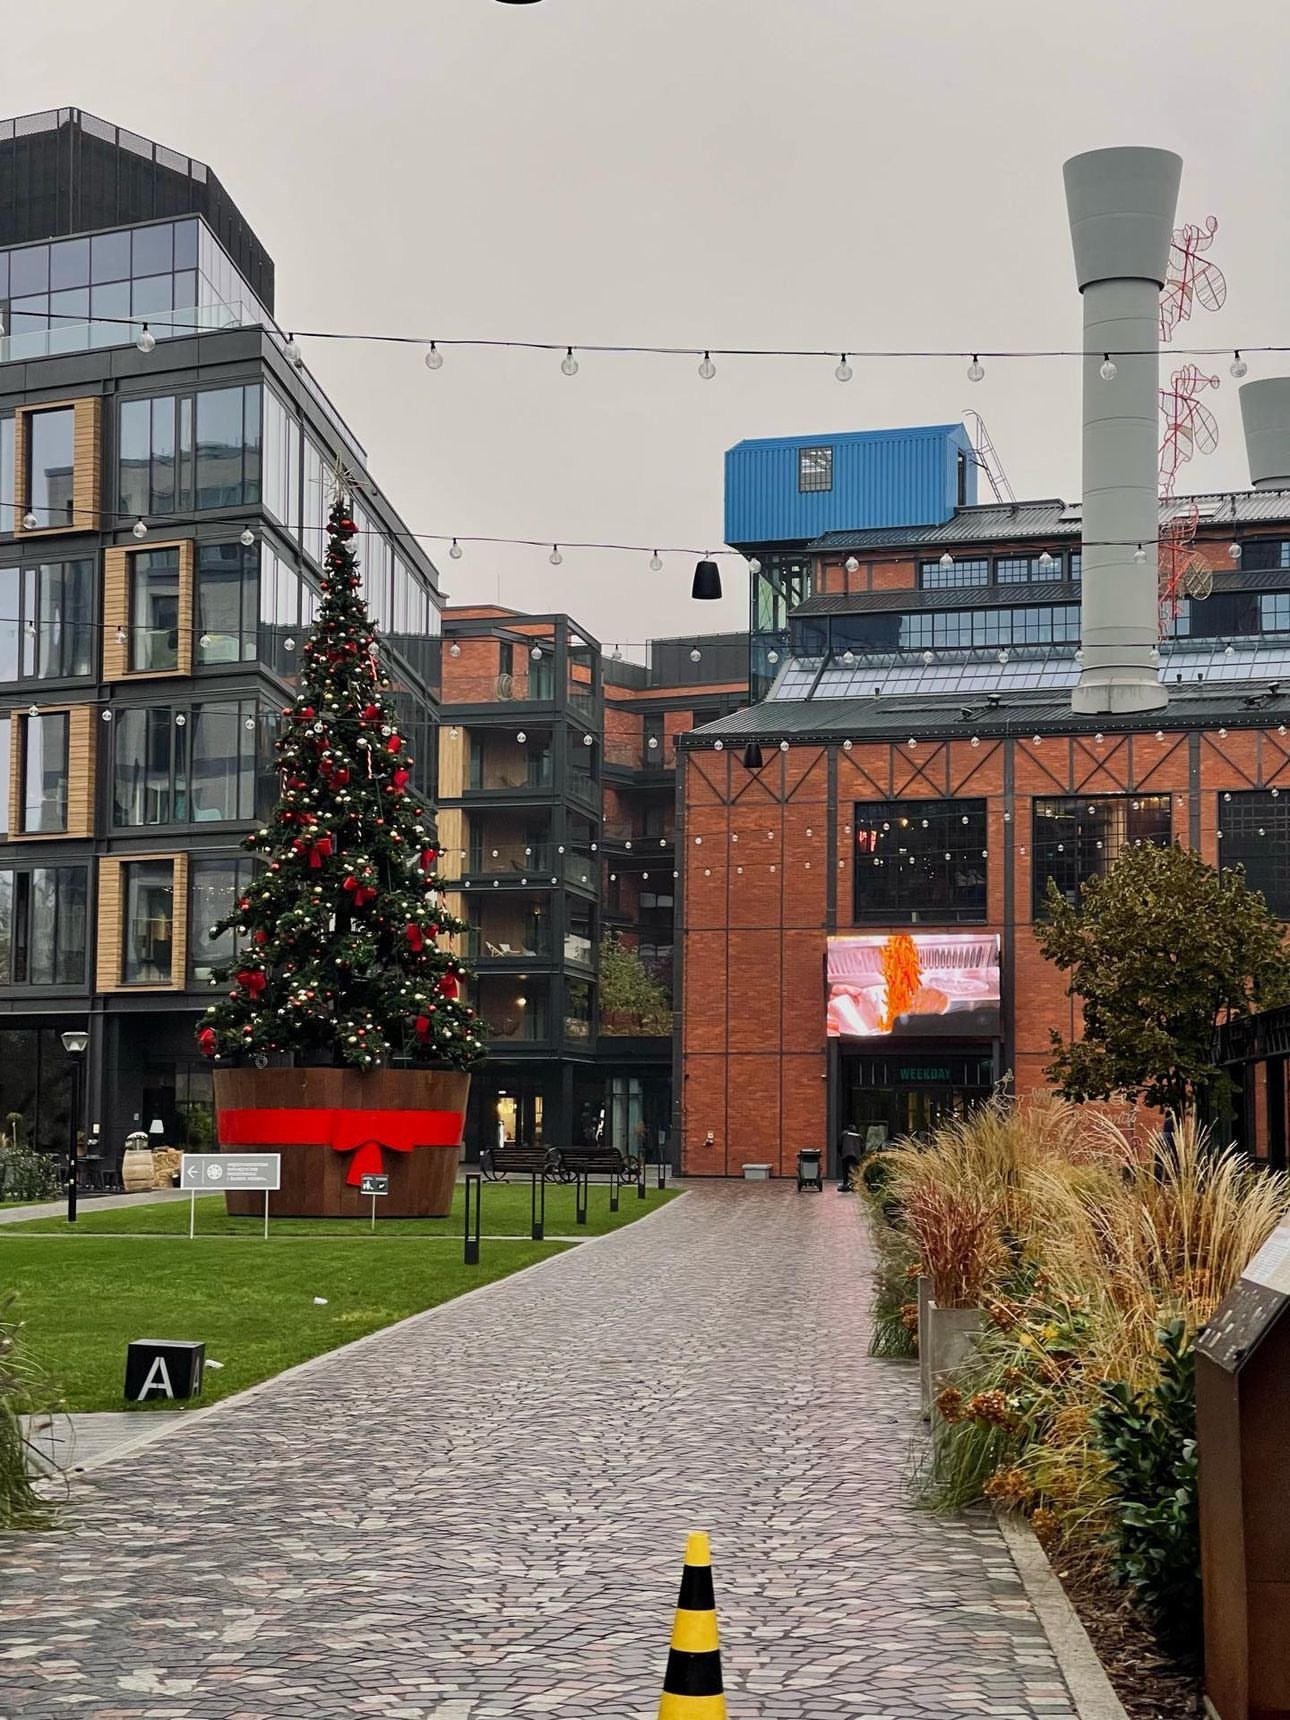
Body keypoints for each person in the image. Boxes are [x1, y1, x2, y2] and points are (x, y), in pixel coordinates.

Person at [838, 1123, 862, 1192]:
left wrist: (841, 1153)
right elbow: (862, 1146)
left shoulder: (844, 1134)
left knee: (845, 1169)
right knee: (856, 1169)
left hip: (846, 1154)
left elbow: (839, 1144)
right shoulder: (859, 1136)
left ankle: (845, 1183)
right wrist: (860, 1154)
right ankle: (856, 1183)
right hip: (856, 1155)